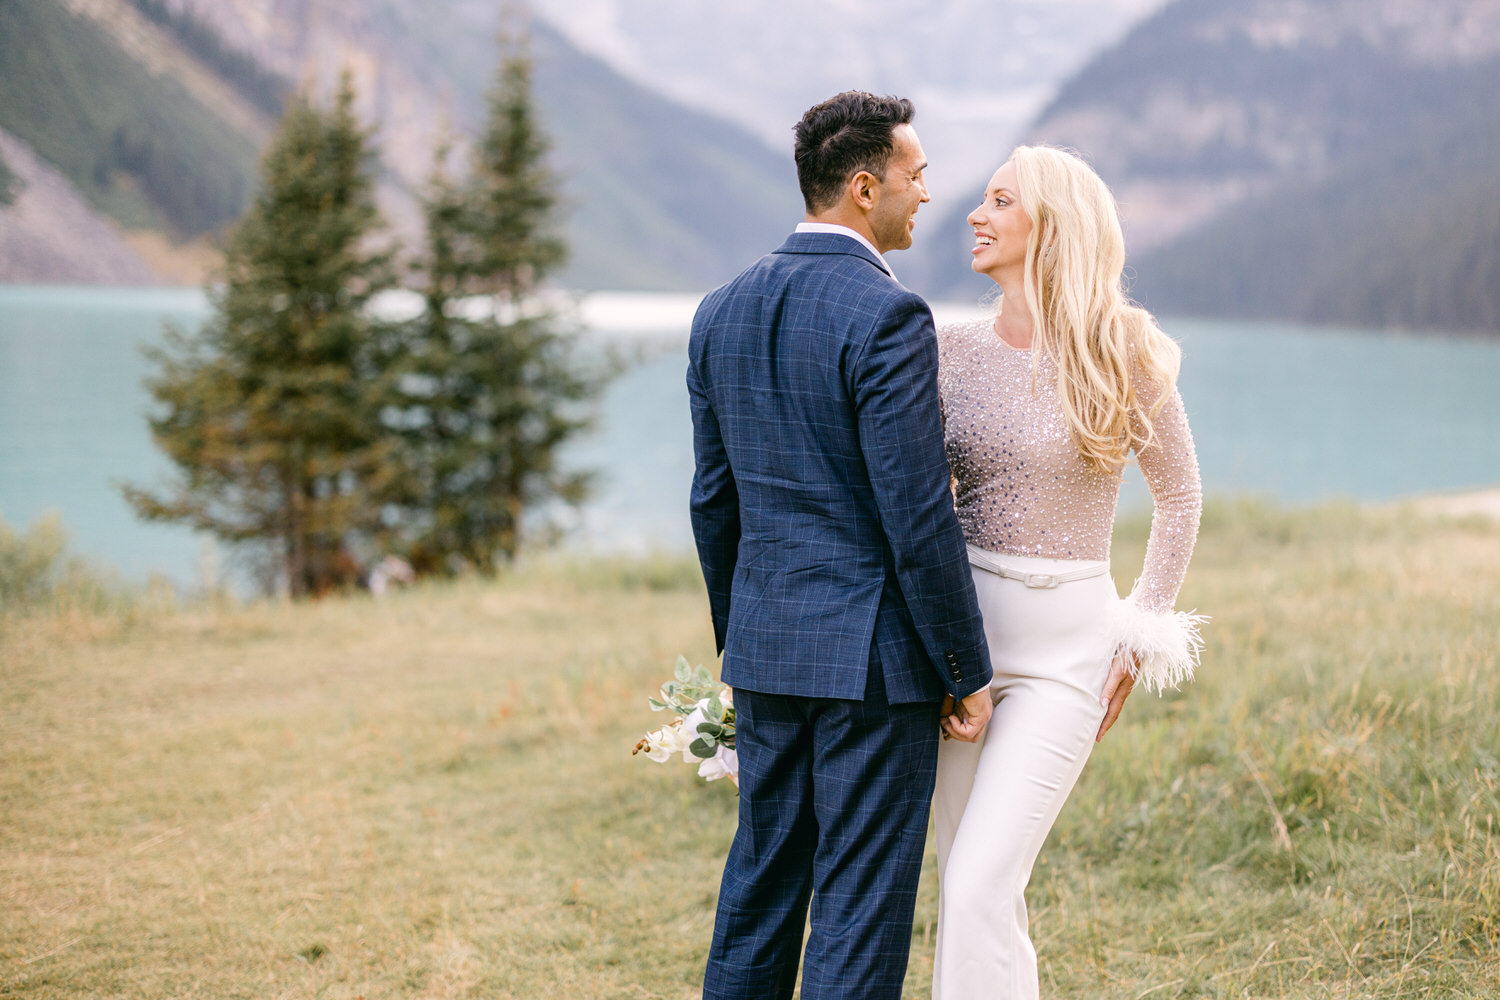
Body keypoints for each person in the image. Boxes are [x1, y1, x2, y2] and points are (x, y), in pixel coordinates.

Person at [688, 91, 996, 1000]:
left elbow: (715, 504)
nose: (927, 196)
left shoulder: (719, 310)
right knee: (858, 916)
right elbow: (916, 514)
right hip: (873, 669)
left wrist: (739, 647)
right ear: (865, 187)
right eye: (917, 175)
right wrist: (963, 667)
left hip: (768, 651)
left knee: (759, 889)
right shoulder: (888, 316)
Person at [930, 145, 1206, 999]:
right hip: (959, 648)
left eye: (1000, 200)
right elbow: (914, 506)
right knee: (972, 891)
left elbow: (1181, 496)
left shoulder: (1124, 348)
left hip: (1067, 659)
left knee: (979, 884)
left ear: (1050, 224)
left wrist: (1139, 633)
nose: (975, 214)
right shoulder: (948, 350)